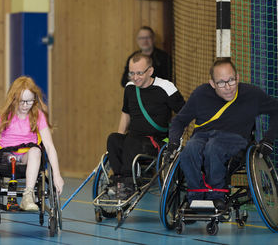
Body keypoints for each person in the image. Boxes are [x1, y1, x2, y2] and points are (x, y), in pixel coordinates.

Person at [164, 58, 278, 209]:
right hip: (202, 137)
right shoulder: (201, 94)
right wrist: (173, 142)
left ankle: (216, 195)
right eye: (221, 83)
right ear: (212, 83)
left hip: (236, 139)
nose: (228, 87)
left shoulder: (252, 94)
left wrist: (269, 139)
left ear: (237, 77)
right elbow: (179, 121)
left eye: (231, 80)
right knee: (189, 149)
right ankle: (196, 196)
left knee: (214, 147)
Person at [0, 76, 64, 211]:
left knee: (36, 151)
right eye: (22, 101)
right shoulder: (5, 116)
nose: (26, 105)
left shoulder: (38, 116)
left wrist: (57, 175)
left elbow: (49, 146)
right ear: (13, 99)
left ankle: (28, 196)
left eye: (30, 101)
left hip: (27, 157)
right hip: (5, 158)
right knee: (18, 154)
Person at [108, 52, 185, 199]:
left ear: (150, 71)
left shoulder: (165, 87)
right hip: (134, 139)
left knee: (132, 141)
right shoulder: (130, 88)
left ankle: (128, 183)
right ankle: (118, 180)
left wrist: (176, 140)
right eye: (132, 73)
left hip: (157, 141)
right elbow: (126, 114)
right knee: (113, 139)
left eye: (139, 73)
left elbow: (183, 115)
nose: (135, 77)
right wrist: (120, 136)